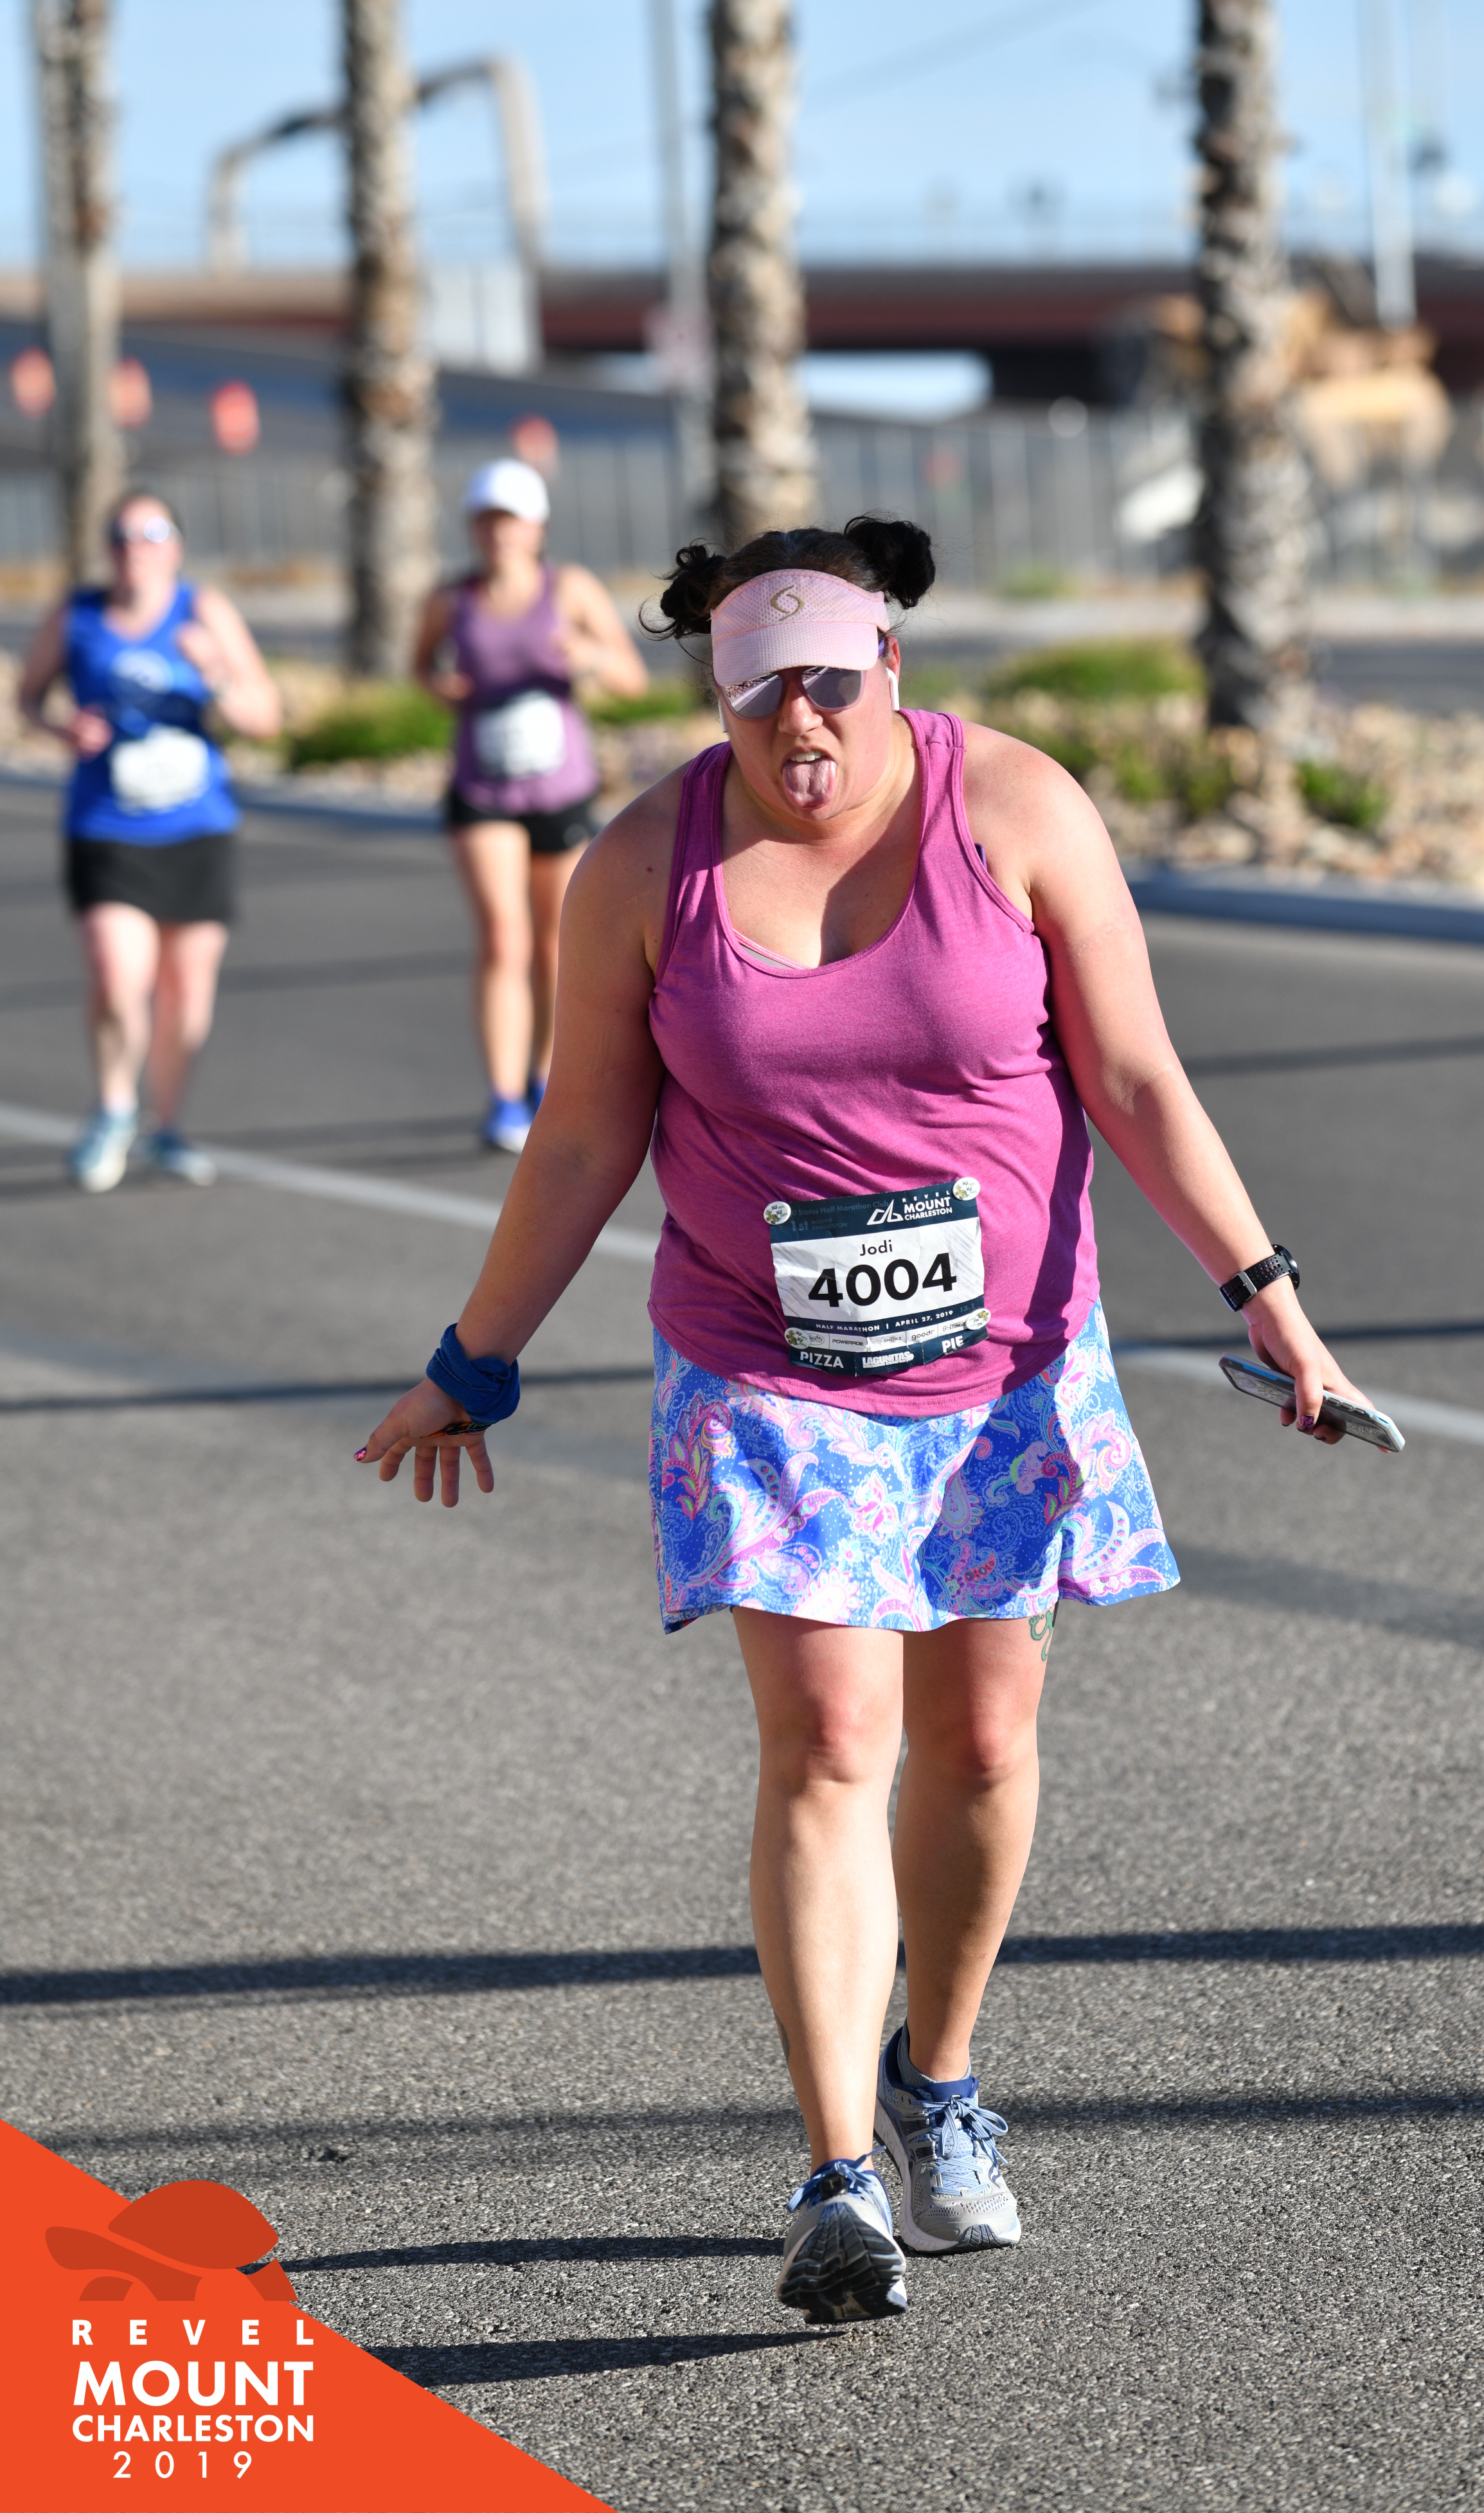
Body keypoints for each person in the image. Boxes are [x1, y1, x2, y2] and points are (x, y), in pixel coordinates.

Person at [359, 514, 1375, 2327]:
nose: (796, 720)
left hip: (1004, 1369)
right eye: (756, 690)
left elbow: (1135, 1074)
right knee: (831, 1737)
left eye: (828, 678)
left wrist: (1270, 1298)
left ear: (890, 662)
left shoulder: (1021, 811)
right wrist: (477, 1355)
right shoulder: (642, 866)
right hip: (764, 1367)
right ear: (718, 692)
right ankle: (836, 2175)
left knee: (978, 1743)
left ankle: (939, 2076)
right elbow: (584, 1136)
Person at [17, 487, 283, 1192]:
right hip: (107, 825)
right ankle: (114, 1107)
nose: (135, 549)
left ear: (176, 547)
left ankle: (166, 1127)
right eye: (122, 536)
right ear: (107, 549)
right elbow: (27, 696)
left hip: (197, 827)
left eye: (151, 534)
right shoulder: (77, 615)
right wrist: (60, 728)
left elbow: (265, 718)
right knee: (117, 975)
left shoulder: (203, 611)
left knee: (186, 996)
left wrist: (215, 674)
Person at [412, 458, 648, 1153]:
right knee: (503, 937)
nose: (500, 533)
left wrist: (589, 656)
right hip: (482, 787)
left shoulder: (570, 589)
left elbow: (632, 678)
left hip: (560, 789)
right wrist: (441, 685)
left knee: (555, 943)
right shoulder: (450, 600)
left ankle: (544, 1079)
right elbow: (420, 665)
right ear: (473, 527)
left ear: (537, 526)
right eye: (488, 520)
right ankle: (501, 1096)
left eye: (512, 519)